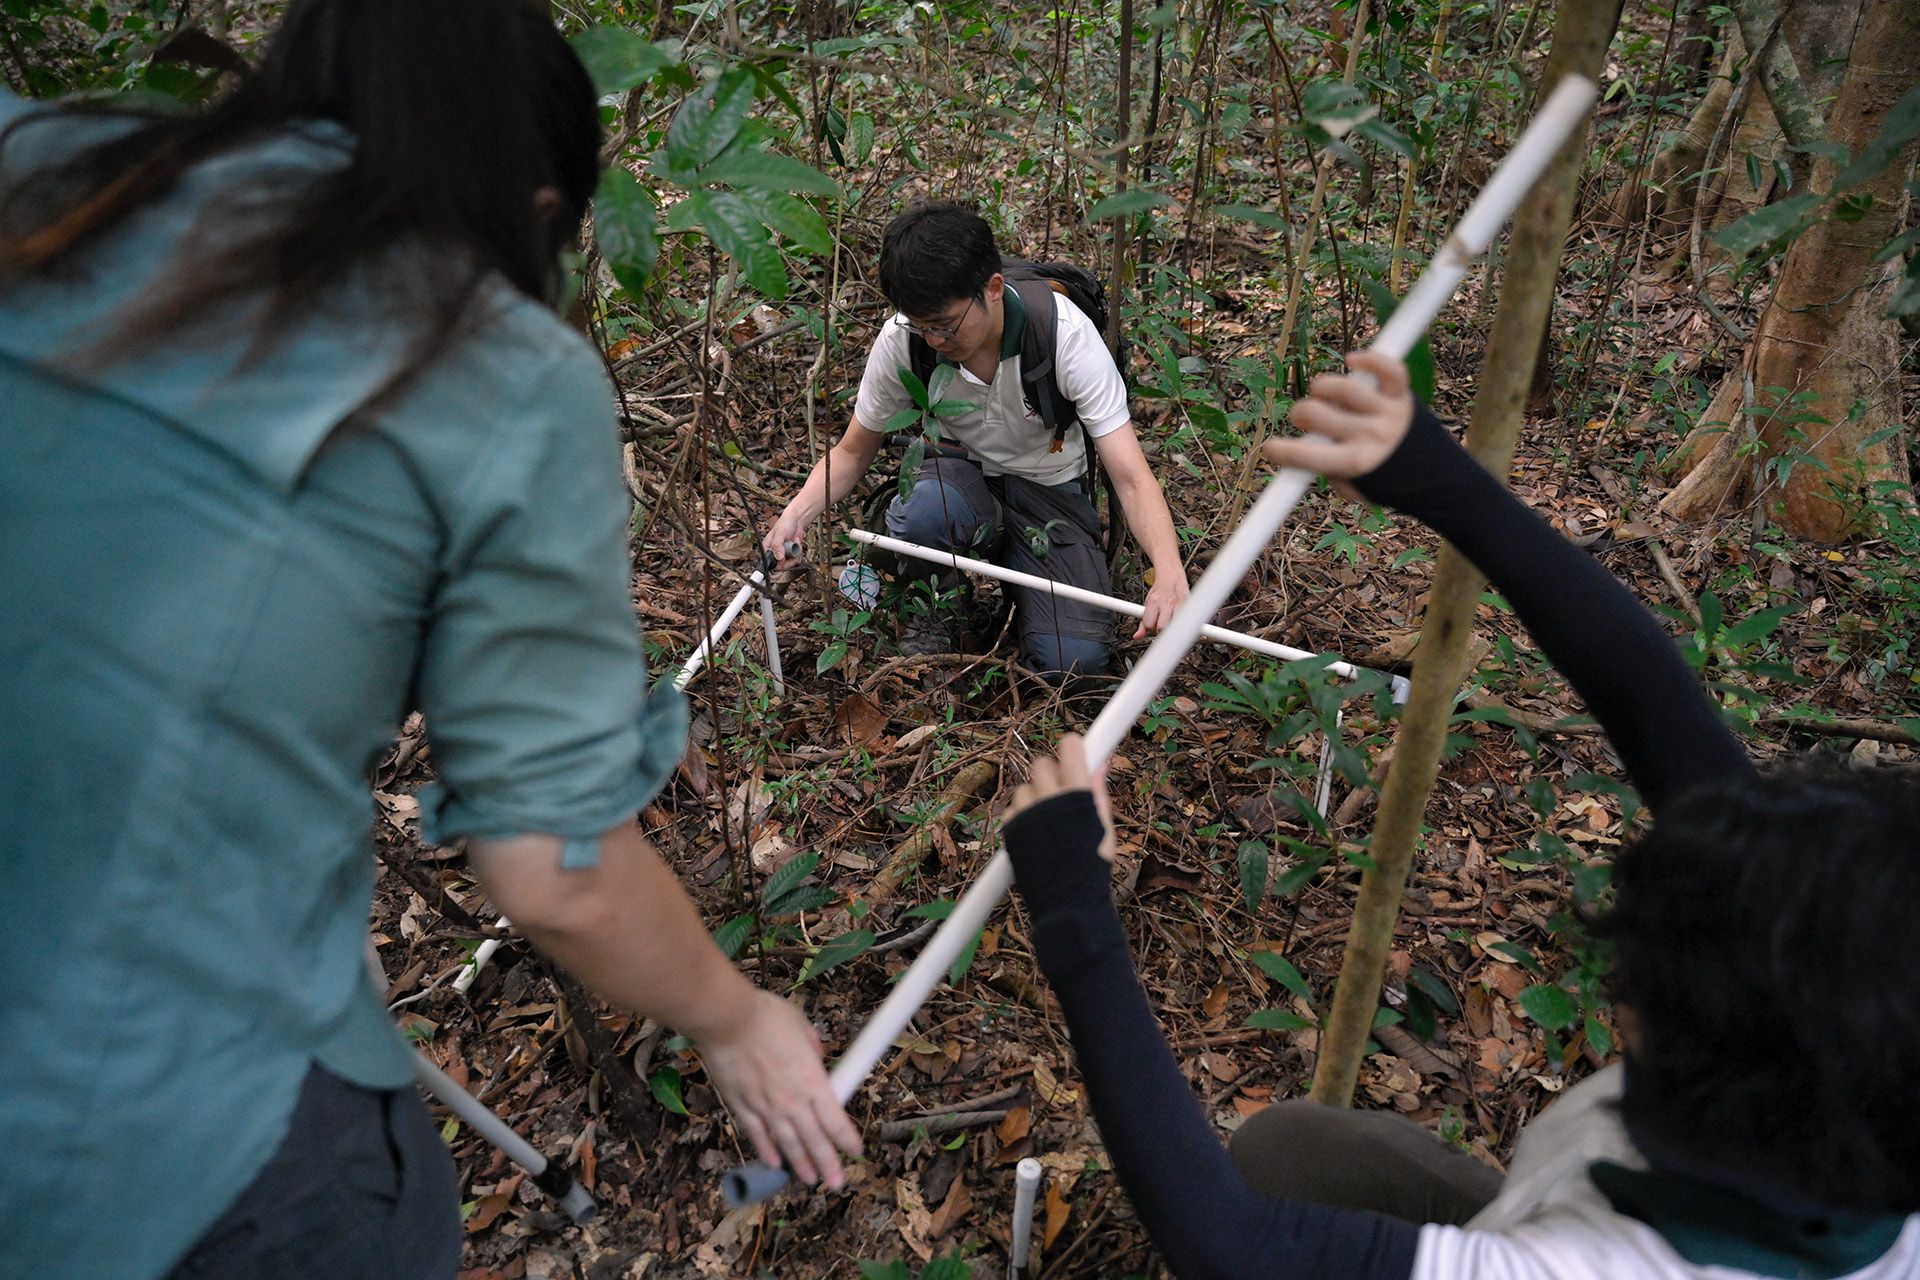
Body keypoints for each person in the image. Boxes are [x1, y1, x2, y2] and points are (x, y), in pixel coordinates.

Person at [0, 5, 858, 1279]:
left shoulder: (45, 167)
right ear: (538, 199)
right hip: (155, 1124)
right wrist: (736, 1020)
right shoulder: (491, 365)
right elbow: (553, 863)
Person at [999, 350, 1920, 1279]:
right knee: (1293, 1153)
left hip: (1567, 1226)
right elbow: (1656, 708)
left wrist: (1073, 904)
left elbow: (1235, 1243)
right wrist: (1439, 479)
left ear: (1718, 1080)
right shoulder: (1847, 1006)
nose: (1619, 986)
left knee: (1271, 1192)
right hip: (1572, 1193)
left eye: (1642, 986)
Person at [763, 199, 1189, 678]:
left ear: (992, 289)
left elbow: (1130, 475)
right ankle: (939, 607)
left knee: (1074, 664)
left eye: (945, 324)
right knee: (921, 514)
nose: (934, 340)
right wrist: (795, 515)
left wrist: (1169, 573)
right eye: (920, 325)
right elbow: (853, 451)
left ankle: (1033, 588)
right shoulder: (904, 340)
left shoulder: (1063, 336)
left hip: (1049, 491)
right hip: (958, 477)